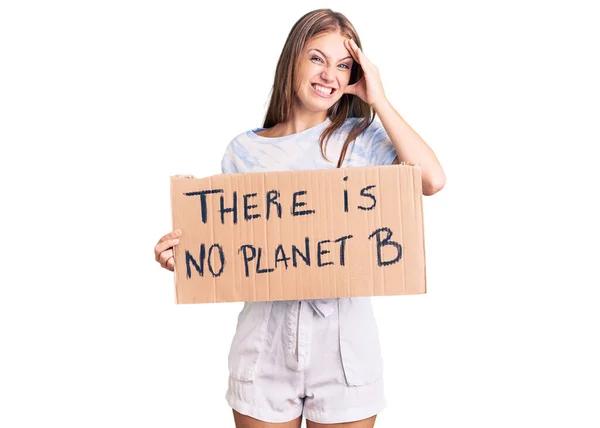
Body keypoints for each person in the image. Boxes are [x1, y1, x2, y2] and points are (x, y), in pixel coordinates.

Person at [154, 8, 445, 428]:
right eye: (317, 58)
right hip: (264, 343)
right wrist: (187, 256)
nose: (330, 74)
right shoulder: (243, 151)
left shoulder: (360, 140)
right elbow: (235, 251)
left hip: (344, 347)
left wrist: (378, 99)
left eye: (344, 66)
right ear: (292, 58)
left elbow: (432, 180)